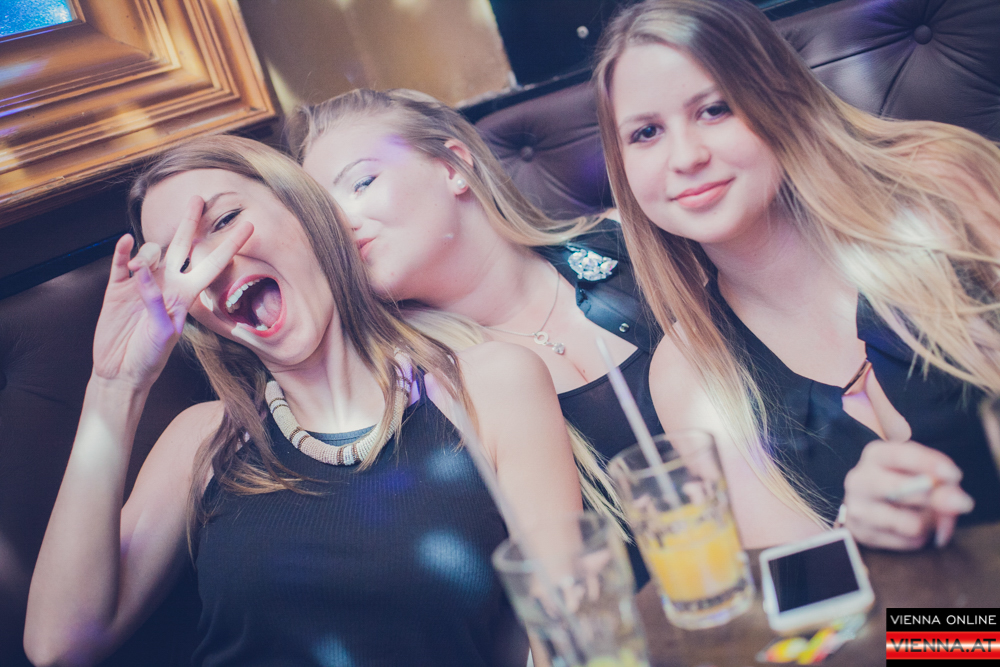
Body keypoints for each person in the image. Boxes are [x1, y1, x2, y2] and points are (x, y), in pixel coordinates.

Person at [23, 136, 582, 667]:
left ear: (303, 210)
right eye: (182, 263)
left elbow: (570, 631)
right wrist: (115, 386)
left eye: (224, 221)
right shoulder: (202, 442)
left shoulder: (488, 387)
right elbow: (57, 646)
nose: (211, 266)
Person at [593, 0, 1000, 551]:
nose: (685, 157)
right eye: (645, 133)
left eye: (714, 109)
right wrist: (855, 529)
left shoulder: (939, 192)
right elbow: (806, 586)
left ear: (776, 97)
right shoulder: (690, 367)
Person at [291, 89, 663, 585]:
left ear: (454, 167)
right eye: (323, 220)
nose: (342, 225)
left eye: (361, 182)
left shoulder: (631, 244)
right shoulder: (415, 390)